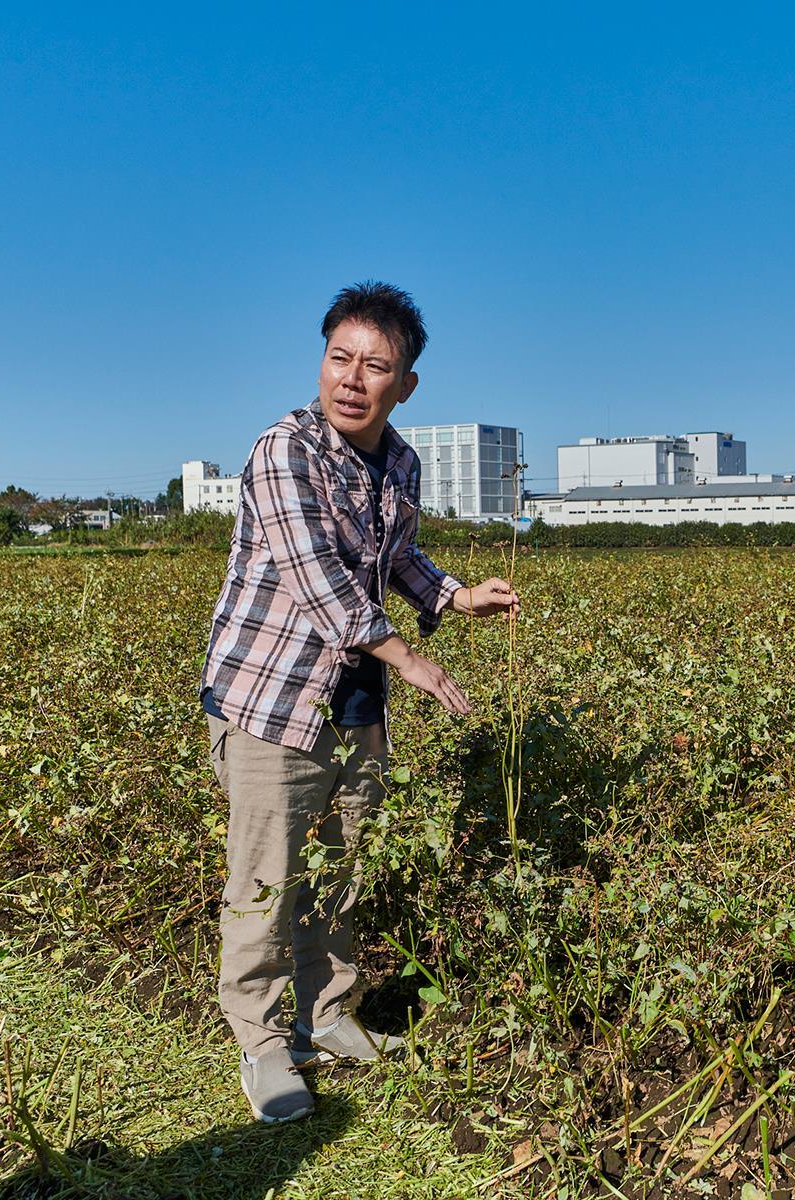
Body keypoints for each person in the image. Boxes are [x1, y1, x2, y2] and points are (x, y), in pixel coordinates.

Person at [199, 282, 519, 1123]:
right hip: (272, 700)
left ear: (404, 384)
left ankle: (326, 1012)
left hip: (353, 702)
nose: (351, 378)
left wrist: (453, 597)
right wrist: (408, 657)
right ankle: (263, 1047)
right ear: (321, 363)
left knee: (341, 870)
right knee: (265, 880)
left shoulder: (401, 462)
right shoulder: (284, 451)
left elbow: (397, 557)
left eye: (375, 366)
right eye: (339, 358)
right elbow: (322, 584)